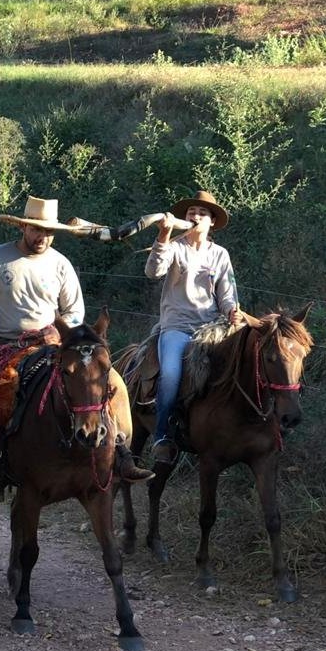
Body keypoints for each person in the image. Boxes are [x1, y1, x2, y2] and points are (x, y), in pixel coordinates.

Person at [0, 195, 153, 501]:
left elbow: (74, 310)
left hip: (54, 343)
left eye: (49, 231)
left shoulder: (60, 264)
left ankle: (120, 451)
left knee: (109, 381)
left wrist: (63, 333)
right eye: (37, 230)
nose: (42, 237)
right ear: (24, 227)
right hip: (6, 346)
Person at [145, 189, 242, 466]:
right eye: (191, 213)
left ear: (212, 222)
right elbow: (154, 271)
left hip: (211, 328)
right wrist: (163, 236)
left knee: (235, 370)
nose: (196, 216)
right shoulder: (175, 246)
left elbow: (227, 294)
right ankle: (162, 436)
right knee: (172, 374)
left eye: (202, 213)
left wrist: (232, 310)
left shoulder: (220, 254)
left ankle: (232, 432)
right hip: (176, 326)